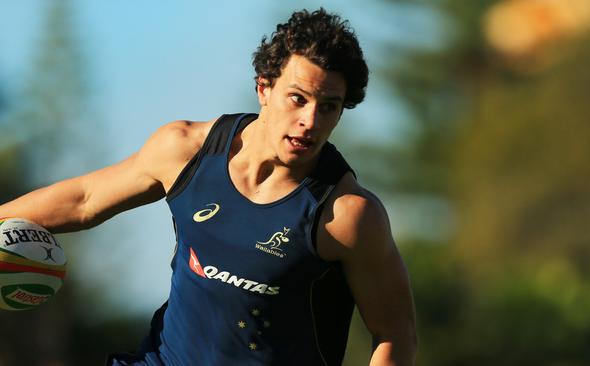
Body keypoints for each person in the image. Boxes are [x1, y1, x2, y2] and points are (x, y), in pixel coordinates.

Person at [0, 8, 417, 366]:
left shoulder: (346, 215)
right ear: (264, 88)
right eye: (298, 98)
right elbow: (84, 200)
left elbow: (395, 335)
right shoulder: (186, 152)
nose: (310, 120)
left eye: (329, 107)